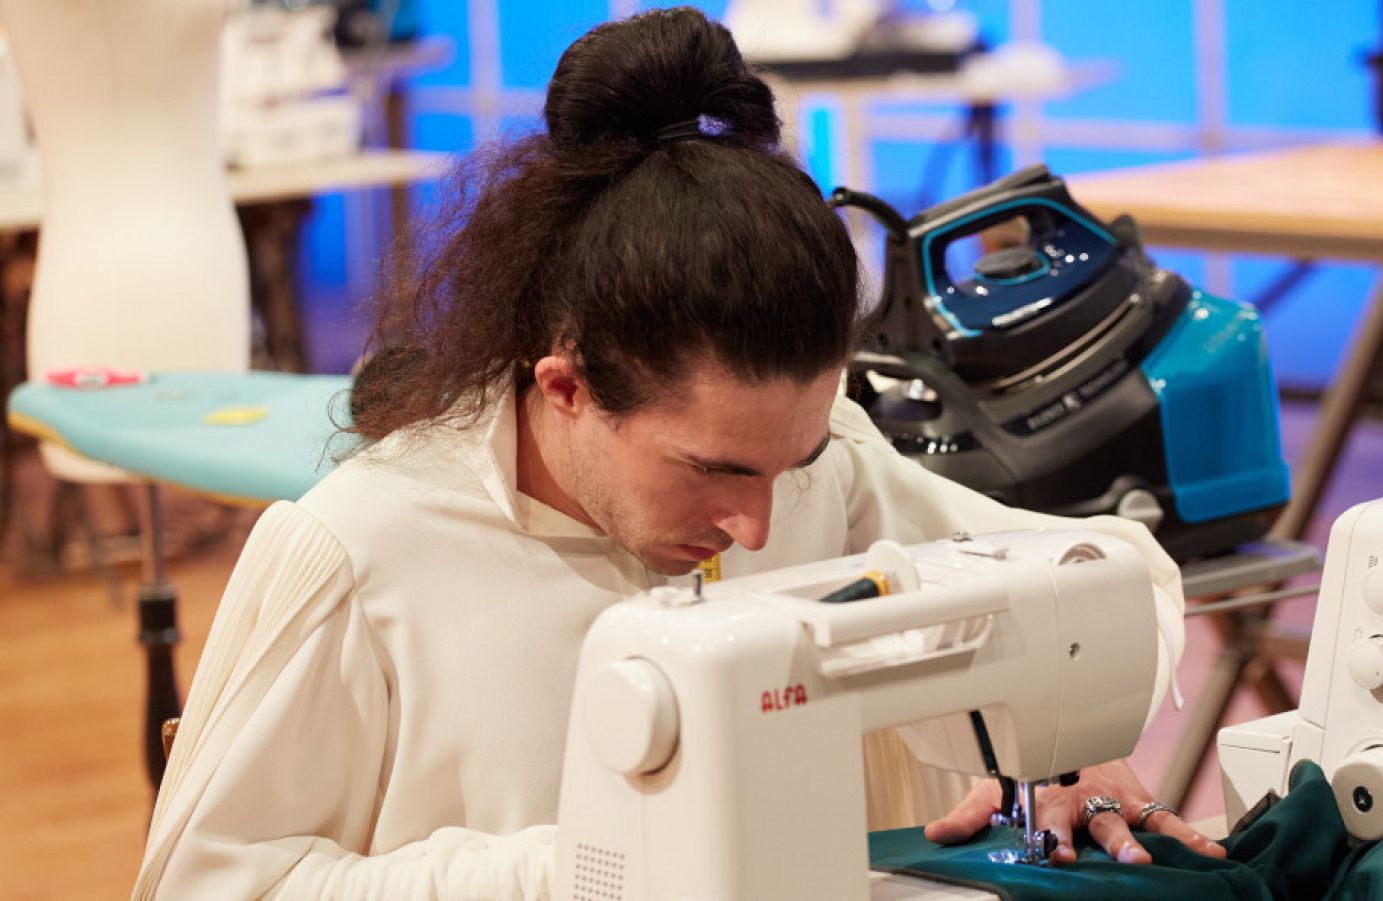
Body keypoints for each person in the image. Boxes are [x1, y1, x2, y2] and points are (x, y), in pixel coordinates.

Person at [134, 8, 1222, 898]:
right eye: (715, 470)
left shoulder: (823, 470)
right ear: (563, 386)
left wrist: (1065, 754)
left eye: (784, 466)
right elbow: (207, 883)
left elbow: (1110, 585)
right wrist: (583, 868)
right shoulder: (359, 556)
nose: (756, 528)